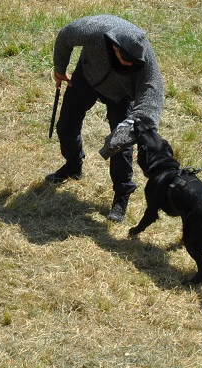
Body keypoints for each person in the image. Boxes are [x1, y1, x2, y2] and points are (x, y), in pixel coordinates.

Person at [45, 14, 165, 224]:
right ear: (115, 46)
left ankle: (122, 195)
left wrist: (123, 133)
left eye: (132, 63)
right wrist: (59, 69)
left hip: (120, 96)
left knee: (122, 146)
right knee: (65, 125)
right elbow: (65, 36)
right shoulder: (95, 29)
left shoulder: (146, 64)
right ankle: (73, 165)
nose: (128, 64)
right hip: (87, 76)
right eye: (124, 59)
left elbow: (150, 106)